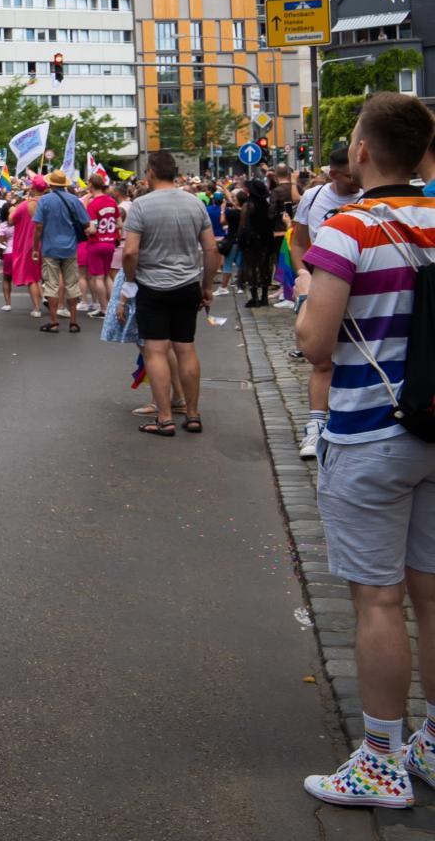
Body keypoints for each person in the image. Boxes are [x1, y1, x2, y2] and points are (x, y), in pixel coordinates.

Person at [297, 93, 435, 810]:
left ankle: (380, 759)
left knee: (379, 601)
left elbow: (315, 343)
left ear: (362, 152)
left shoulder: (348, 231)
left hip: (370, 431)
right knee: (433, 594)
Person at [121, 151, 218, 436]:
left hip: (152, 285)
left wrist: (129, 283)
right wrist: (207, 286)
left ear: (150, 172)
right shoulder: (194, 203)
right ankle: (193, 414)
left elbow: (130, 252)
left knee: (156, 351)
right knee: (185, 348)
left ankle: (164, 418)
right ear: (175, 172)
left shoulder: (140, 205)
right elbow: (211, 249)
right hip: (187, 284)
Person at [289, 145, 364, 459]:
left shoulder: (367, 196)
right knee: (320, 359)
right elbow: (298, 241)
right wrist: (303, 275)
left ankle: (353, 423)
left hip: (361, 287)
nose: (355, 182)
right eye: (348, 177)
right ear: (333, 174)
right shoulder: (314, 197)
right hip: (321, 285)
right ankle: (316, 427)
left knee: (357, 356)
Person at [32, 172, 90, 334]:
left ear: (50, 184)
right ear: (64, 184)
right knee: (72, 284)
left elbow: (38, 226)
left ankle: (54, 322)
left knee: (51, 285)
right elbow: (85, 223)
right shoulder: (73, 200)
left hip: (50, 248)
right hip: (70, 248)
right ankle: (73, 322)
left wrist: (35, 247)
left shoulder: (44, 200)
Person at [82, 173, 121, 318]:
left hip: (96, 243)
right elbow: (119, 224)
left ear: (91, 185)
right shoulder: (112, 202)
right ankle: (112, 306)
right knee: (107, 277)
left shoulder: (93, 205)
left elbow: (92, 229)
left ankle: (104, 309)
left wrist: (85, 229)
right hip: (110, 243)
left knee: (98, 277)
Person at [238, 176, 280, 307]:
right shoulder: (267, 205)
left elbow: (243, 225)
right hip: (266, 238)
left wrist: (240, 239)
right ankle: (265, 297)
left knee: (251, 266)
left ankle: (255, 297)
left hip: (252, 239)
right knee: (265, 266)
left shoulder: (248, 205)